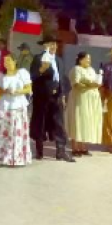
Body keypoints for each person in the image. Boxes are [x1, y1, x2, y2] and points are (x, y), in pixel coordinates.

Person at [30, 35, 74, 163]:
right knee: (40, 122)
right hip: (42, 97)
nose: (53, 46)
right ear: (45, 46)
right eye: (50, 44)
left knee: (59, 123)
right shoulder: (38, 58)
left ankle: (61, 151)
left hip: (57, 97)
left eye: (55, 44)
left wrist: (63, 94)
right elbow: (32, 75)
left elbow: (62, 79)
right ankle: (39, 151)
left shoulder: (59, 60)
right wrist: (41, 70)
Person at [0, 54, 33, 167]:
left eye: (8, 61)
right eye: (4, 61)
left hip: (17, 105)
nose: (6, 63)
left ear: (14, 61)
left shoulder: (22, 73)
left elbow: (28, 88)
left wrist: (17, 92)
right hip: (4, 105)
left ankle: (15, 157)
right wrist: (3, 91)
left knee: (15, 131)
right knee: (2, 130)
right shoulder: (1, 75)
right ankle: (0, 157)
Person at [67, 52, 104, 157]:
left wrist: (96, 85)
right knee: (78, 122)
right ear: (80, 60)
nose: (89, 61)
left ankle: (83, 147)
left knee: (86, 123)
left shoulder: (91, 70)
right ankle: (75, 148)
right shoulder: (76, 69)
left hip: (90, 101)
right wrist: (90, 86)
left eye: (89, 59)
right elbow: (76, 84)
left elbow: (95, 81)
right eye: (87, 59)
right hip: (79, 100)